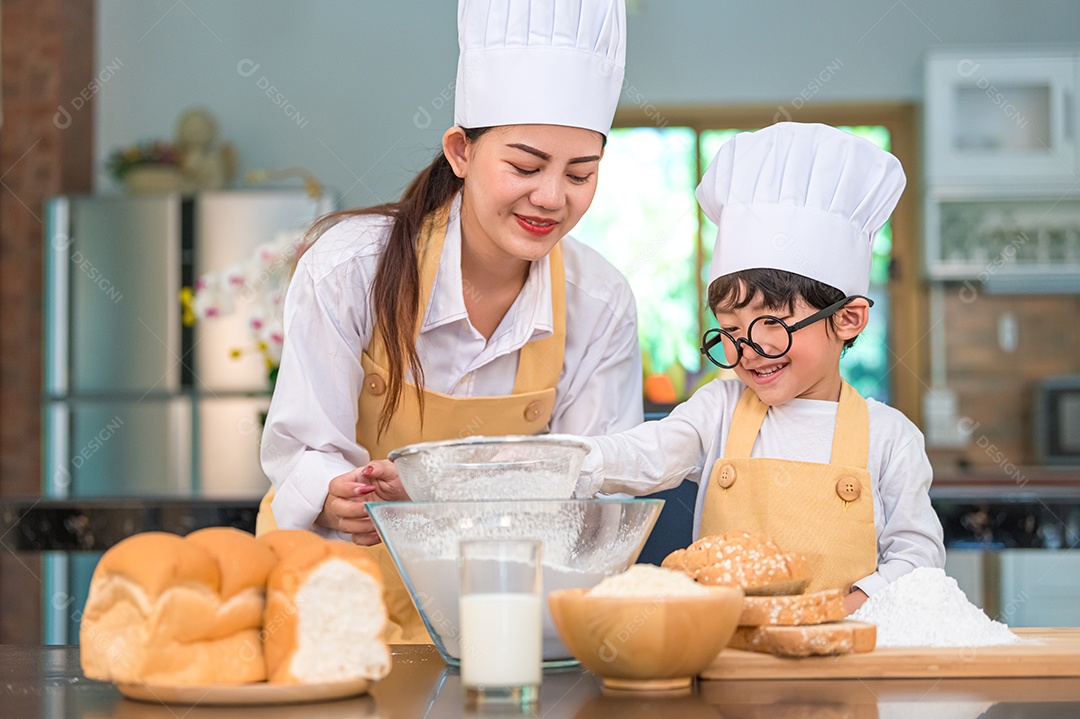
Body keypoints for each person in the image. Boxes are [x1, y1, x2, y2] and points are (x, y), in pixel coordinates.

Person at [257, 0, 641, 641]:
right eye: (524, 167)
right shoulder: (350, 266)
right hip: (331, 603)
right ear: (460, 151)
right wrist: (333, 488)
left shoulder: (599, 301)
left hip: (499, 621)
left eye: (581, 174)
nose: (551, 198)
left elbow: (596, 500)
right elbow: (303, 450)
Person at [572, 123, 945, 615]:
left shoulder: (890, 437)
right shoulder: (717, 411)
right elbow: (643, 455)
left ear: (847, 319)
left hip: (844, 657)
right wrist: (560, 462)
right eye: (729, 328)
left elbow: (919, 562)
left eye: (771, 324)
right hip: (727, 657)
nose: (748, 349)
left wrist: (838, 609)